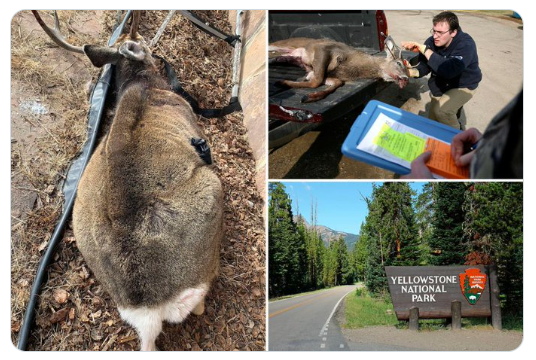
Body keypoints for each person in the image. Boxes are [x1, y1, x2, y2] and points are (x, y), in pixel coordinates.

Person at [402, 90, 522, 179]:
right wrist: (482, 145)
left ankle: (453, 131)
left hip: (463, 84)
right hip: (478, 157)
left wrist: (427, 181)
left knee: (443, 111)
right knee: (433, 118)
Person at [402, 11, 482, 130]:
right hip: (441, 84)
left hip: (463, 84)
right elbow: (425, 65)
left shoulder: (466, 44)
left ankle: (458, 140)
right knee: (433, 124)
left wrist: (426, 50)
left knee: (442, 111)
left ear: (453, 32)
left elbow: (450, 70)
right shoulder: (432, 42)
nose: (435, 36)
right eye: (434, 31)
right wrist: (414, 72)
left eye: (440, 32)